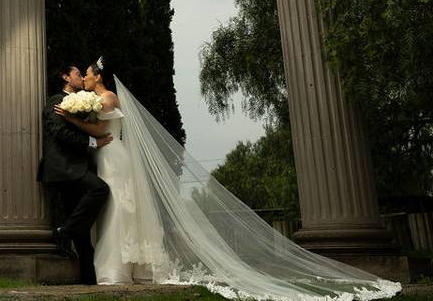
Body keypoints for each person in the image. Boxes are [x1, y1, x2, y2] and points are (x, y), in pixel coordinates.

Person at [52, 58, 402, 300]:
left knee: (120, 208)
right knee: (113, 207)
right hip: (104, 155)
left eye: (86, 73)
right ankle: (120, 267)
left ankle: (117, 269)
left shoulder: (107, 97)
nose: (82, 77)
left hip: (113, 155)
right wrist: (79, 118)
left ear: (98, 77)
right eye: (81, 73)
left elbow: (100, 128)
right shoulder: (91, 97)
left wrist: (75, 120)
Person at [37, 64, 112, 284]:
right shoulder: (55, 101)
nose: (81, 78)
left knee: (83, 233)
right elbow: (59, 132)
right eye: (78, 74)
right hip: (63, 167)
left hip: (77, 166)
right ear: (65, 77)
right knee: (100, 189)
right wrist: (93, 142)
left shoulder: (83, 100)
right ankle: (64, 231)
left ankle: (89, 280)